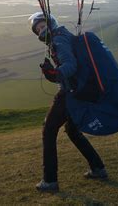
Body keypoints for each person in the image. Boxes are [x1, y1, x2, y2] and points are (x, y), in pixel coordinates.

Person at [29, 12, 108, 193]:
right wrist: (54, 75)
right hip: (79, 90)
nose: (41, 31)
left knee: (49, 129)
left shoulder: (58, 41)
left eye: (43, 26)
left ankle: (50, 181)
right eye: (38, 29)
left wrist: (55, 73)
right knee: (72, 130)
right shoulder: (63, 36)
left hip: (70, 93)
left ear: (51, 24)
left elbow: (70, 65)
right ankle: (98, 168)